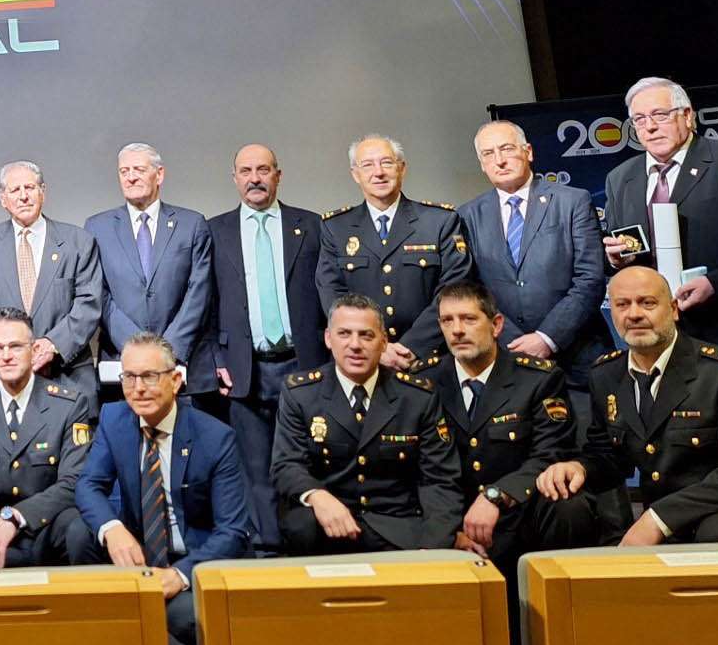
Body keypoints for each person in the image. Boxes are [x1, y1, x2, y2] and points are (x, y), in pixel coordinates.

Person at [536, 267, 718, 544]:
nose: (634, 314)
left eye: (647, 303)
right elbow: (608, 455)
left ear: (673, 309)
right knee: (565, 505)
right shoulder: (606, 375)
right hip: (671, 523)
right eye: (622, 304)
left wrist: (658, 518)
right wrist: (579, 467)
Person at [76, 332, 249, 645]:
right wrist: (112, 529)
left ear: (176, 380)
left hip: (191, 559)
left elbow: (233, 531)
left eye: (149, 377)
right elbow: (88, 485)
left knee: (184, 615)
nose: (138, 388)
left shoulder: (215, 437)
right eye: (129, 377)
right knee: (78, 533)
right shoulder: (115, 420)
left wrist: (180, 574)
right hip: (137, 555)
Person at [420, 282, 595, 578]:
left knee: (569, 505)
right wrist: (447, 531)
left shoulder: (537, 379)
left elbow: (551, 454)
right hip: (448, 514)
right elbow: (421, 471)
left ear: (496, 324)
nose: (457, 330)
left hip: (516, 512)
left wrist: (495, 495)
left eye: (469, 319)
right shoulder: (423, 384)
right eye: (448, 320)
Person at [204, 145, 327, 554]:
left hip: (304, 362)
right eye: (245, 171)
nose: (254, 178)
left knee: (307, 461)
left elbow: (328, 295)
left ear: (278, 174)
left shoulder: (310, 225)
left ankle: (309, 547)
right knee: (254, 469)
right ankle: (266, 552)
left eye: (263, 170)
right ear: (234, 178)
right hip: (247, 367)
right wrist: (217, 361)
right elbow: (205, 303)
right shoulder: (214, 230)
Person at [272, 294, 459, 553]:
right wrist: (318, 496)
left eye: (366, 335)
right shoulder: (301, 394)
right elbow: (286, 466)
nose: (355, 345)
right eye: (344, 334)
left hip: (399, 529)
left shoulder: (417, 397)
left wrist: (434, 545)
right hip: (328, 526)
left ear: (383, 342)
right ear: (328, 338)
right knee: (299, 523)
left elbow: (440, 479)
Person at [459, 121, 609, 423]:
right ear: (482, 165)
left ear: (528, 152)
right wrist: (513, 343)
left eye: (506, 149)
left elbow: (590, 278)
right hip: (508, 361)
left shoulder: (572, 201)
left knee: (594, 457)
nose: (499, 160)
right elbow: (471, 288)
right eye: (488, 154)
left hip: (577, 359)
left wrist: (546, 338)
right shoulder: (466, 216)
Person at [602, 76, 718, 353]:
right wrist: (616, 260)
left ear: (687, 116)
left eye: (659, 115)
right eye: (639, 119)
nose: (649, 127)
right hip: (654, 334)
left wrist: (715, 283)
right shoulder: (620, 178)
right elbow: (625, 251)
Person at [0, 308, 97, 567]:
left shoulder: (68, 405)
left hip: (46, 528)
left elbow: (73, 482)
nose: (6, 356)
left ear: (34, 351)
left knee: (80, 530)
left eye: (16, 347)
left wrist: (15, 517)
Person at [316, 136, 471, 370]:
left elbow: (454, 290)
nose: (378, 172)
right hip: (364, 361)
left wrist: (413, 346)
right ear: (355, 174)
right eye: (367, 165)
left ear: (402, 168)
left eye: (387, 163)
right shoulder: (335, 228)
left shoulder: (440, 221)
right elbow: (332, 293)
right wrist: (376, 347)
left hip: (430, 360)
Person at [86, 145, 214, 397]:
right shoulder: (97, 227)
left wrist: (168, 351)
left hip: (181, 364)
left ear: (160, 174)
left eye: (139, 169)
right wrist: (140, 351)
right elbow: (99, 293)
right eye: (124, 171)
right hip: (122, 365)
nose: (131, 177)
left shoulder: (191, 224)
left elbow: (199, 292)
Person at [0, 162, 103, 399]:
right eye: (15, 190)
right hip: (5, 377)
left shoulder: (78, 241)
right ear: (3, 199)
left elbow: (89, 303)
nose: (23, 196)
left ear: (43, 192)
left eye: (30, 187)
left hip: (66, 376)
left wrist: (52, 344)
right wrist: (17, 347)